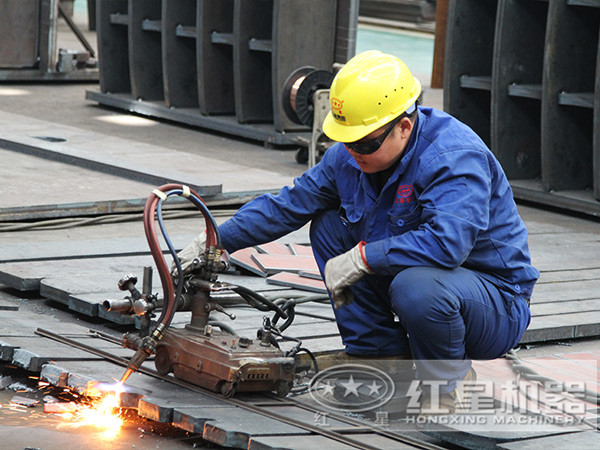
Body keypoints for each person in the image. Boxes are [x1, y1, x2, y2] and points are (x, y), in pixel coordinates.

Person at [176, 50, 539, 413]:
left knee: (418, 288)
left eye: (364, 143)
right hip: (416, 279)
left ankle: (446, 384)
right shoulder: (349, 157)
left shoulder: (453, 158)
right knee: (329, 227)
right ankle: (380, 359)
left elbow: (448, 245)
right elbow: (288, 204)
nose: (352, 152)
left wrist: (364, 257)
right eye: (345, 140)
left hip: (492, 303)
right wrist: (216, 241)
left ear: (404, 127)